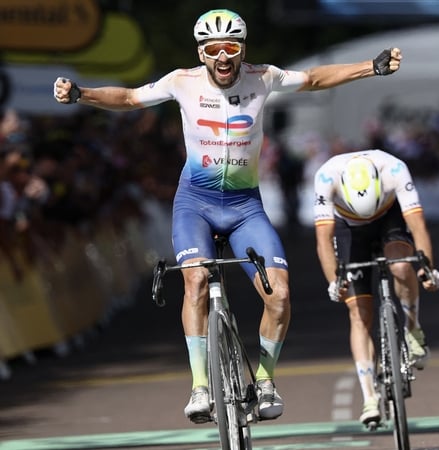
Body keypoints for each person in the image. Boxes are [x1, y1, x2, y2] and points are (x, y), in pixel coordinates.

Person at [53, 8, 403, 424]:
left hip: (244, 207)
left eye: (231, 47)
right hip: (194, 204)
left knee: (280, 295)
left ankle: (266, 380)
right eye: (213, 48)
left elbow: (312, 79)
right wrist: (81, 93)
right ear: (202, 52)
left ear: (242, 50)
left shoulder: (263, 77)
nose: (223, 56)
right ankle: (200, 386)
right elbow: (129, 99)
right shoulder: (181, 81)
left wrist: (371, 67)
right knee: (197, 280)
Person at [313, 149, 439, 426]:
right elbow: (323, 240)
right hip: (349, 229)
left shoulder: (394, 170)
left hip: (390, 218)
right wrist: (333, 281)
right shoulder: (326, 177)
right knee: (359, 313)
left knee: (400, 266)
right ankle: (369, 397)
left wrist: (426, 269)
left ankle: (412, 328)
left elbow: (417, 226)